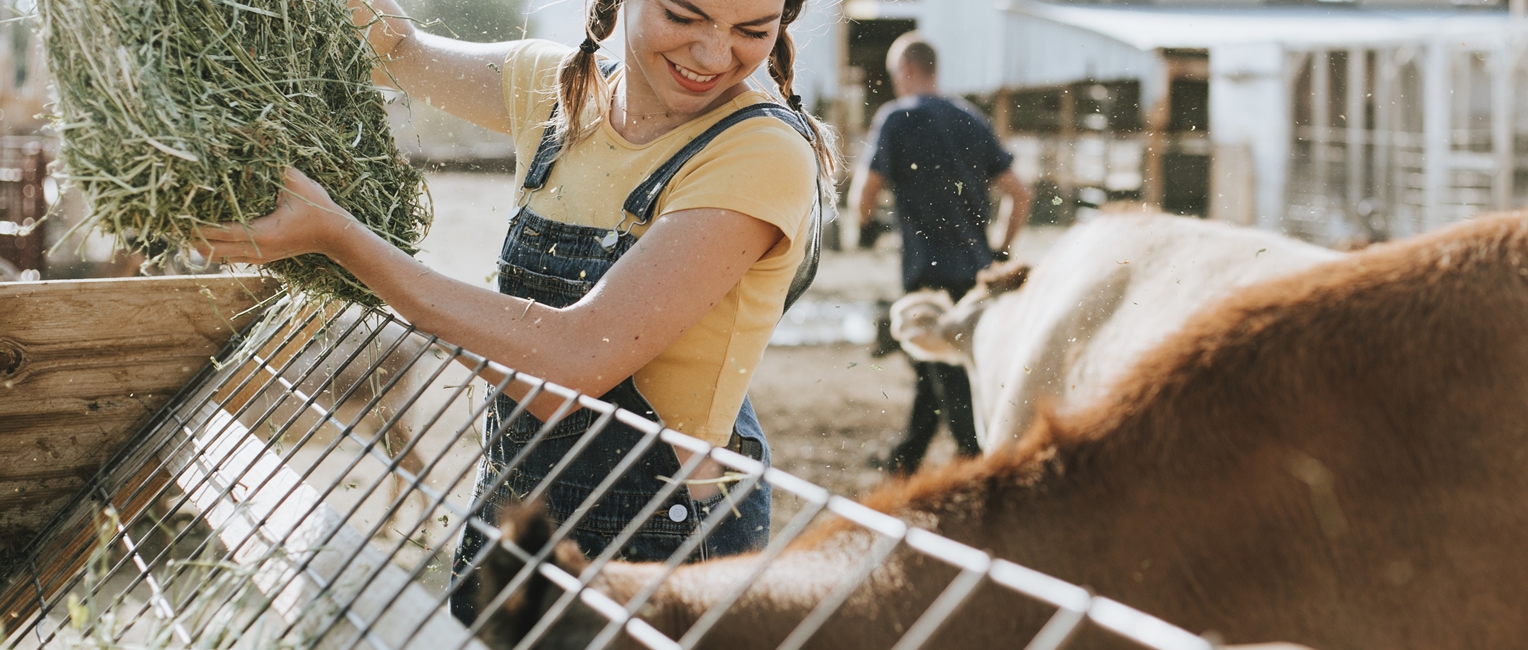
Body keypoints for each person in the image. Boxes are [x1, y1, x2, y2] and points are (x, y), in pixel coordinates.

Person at [191, 0, 834, 623]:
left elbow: (569, 364)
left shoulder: (761, 153)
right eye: (684, 15)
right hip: (517, 499)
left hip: (660, 540)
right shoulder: (556, 89)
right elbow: (397, 50)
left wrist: (340, 237)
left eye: (752, 29)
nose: (714, 54)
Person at [853, 33, 1032, 476]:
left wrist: (867, 227)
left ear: (905, 72)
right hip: (975, 273)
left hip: (925, 272)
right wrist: (1001, 249)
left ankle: (975, 466)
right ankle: (907, 458)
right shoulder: (970, 118)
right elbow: (1020, 194)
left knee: (947, 378)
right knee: (937, 368)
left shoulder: (896, 118)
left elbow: (864, 196)